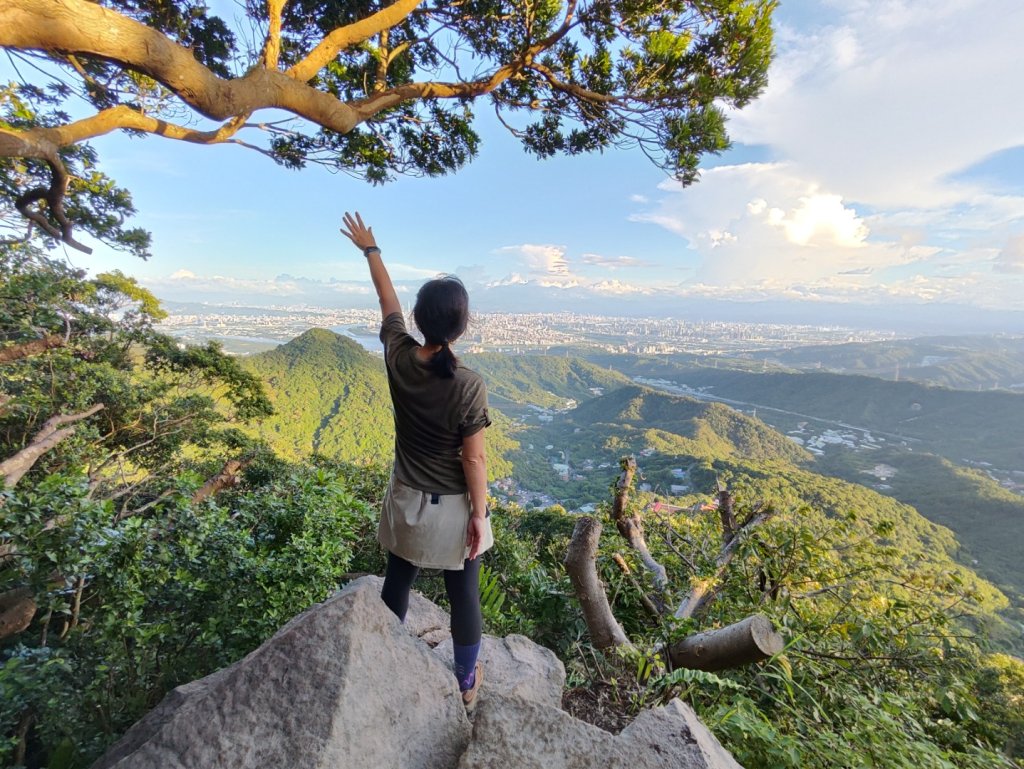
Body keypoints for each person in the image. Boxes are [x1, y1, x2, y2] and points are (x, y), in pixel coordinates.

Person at [340, 211, 494, 711]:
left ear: (420, 321)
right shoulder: (468, 383)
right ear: (462, 326)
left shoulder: (399, 355)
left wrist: (371, 250)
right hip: (452, 509)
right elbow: (473, 460)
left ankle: (387, 653)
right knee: (463, 595)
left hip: (406, 497)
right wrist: (479, 514)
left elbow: (388, 303)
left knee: (398, 579)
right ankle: (466, 680)